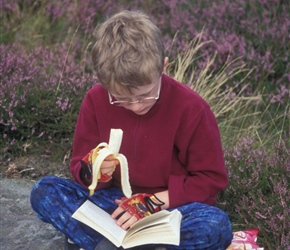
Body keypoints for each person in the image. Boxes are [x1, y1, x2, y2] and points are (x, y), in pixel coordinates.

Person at [30, 10, 233, 250]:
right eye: (122, 99)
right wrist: (96, 171)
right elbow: (79, 167)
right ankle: (133, 245)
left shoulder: (192, 108)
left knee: (215, 226)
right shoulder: (95, 100)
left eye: (146, 94)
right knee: (45, 192)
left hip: (167, 208)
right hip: (113, 204)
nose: (136, 105)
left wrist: (151, 204)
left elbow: (211, 180)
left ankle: (101, 242)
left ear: (163, 67)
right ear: (105, 83)